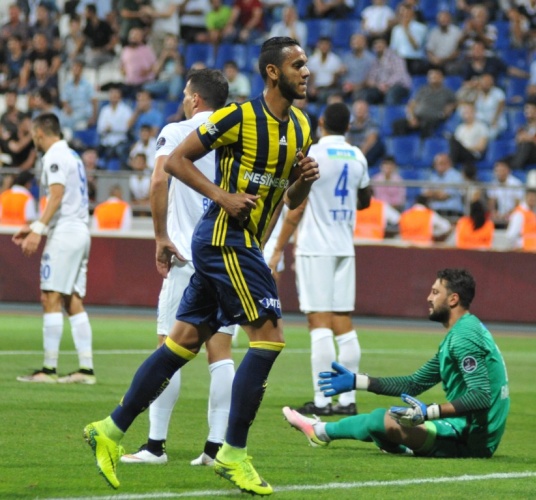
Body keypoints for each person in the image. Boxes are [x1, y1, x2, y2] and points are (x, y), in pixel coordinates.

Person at [83, 36, 318, 496]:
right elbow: (174, 162)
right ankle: (232, 454)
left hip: (242, 243)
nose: (306, 72)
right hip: (222, 238)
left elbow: (289, 198)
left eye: (306, 64)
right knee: (269, 338)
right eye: (298, 64)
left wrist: (303, 182)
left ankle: (109, 429)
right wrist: (222, 196)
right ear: (273, 72)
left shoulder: (303, 128)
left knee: (181, 344)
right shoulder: (238, 117)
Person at [120, 68, 235, 467]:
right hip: (227, 257)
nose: (184, 100)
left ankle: (155, 445)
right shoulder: (237, 133)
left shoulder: (177, 131)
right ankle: (216, 449)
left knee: (167, 349)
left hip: (187, 255)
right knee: (221, 353)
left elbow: (158, 182)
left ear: (196, 99)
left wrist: (159, 237)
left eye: (186, 94)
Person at [283, 268, 510, 460]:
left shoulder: (464, 337)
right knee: (390, 418)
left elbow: (481, 396)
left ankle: (321, 431)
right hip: (467, 428)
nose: (428, 298)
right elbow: (413, 384)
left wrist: (429, 412)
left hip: (472, 438)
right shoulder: (463, 331)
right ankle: (321, 431)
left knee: (381, 420)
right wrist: (357, 381)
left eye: (435, 292)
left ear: (453, 299)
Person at [268, 102, 372, 417]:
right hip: (344, 247)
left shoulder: (313, 155)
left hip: (316, 247)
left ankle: (323, 400)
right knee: (343, 322)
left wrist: (277, 249)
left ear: (322, 122)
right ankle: (347, 400)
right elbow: (365, 200)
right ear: (349, 126)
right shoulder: (357, 155)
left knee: (318, 322)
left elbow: (296, 208)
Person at [12, 113, 95, 384]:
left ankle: (48, 369)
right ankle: (86, 370)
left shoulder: (54, 156)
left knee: (50, 296)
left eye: (33, 136)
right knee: (72, 300)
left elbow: (56, 196)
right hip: (80, 230)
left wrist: (38, 230)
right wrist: (35, 226)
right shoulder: (72, 155)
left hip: (66, 233)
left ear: (39, 133)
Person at [392, 68, 456, 138]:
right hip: (417, 117)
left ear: (441, 78)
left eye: (435, 76)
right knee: (397, 124)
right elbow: (411, 105)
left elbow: (456, 102)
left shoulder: (447, 92)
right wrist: (412, 117)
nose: (433, 79)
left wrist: (450, 107)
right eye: (431, 77)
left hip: (433, 118)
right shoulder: (422, 90)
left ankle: (425, 143)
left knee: (426, 125)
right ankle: (402, 143)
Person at [356, 36, 412, 106]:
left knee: (391, 95)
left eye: (381, 43)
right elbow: (371, 78)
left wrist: (386, 84)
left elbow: (399, 74)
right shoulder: (375, 61)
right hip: (380, 87)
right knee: (366, 95)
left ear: (386, 45)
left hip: (399, 86)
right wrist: (378, 85)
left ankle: (391, 113)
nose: (378, 45)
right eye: (375, 44)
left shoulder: (395, 56)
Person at [389, 1, 428, 75]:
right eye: (402, 13)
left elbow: (416, 46)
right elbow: (393, 48)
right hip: (400, 60)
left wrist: (406, 30)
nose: (404, 15)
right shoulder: (396, 29)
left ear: (412, 13)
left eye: (407, 13)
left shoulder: (421, 28)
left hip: (414, 59)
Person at [422, 153, 465, 217]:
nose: (436, 166)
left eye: (440, 163)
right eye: (435, 164)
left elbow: (443, 196)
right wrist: (437, 193)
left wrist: (433, 194)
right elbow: (425, 194)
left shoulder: (456, 176)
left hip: (452, 213)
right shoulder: (434, 177)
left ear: (447, 163)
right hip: (435, 212)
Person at [487, 158, 525, 228]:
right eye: (497, 170)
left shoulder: (516, 184)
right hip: (500, 214)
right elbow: (491, 202)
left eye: (502, 170)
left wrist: (508, 214)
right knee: (489, 219)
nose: (499, 173)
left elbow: (518, 204)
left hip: (513, 213)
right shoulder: (493, 184)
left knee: (513, 218)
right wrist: (494, 212)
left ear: (508, 170)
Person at [425, 9, 463, 75]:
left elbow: (457, 51)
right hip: (435, 61)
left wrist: (443, 60)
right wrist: (433, 59)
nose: (443, 21)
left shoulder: (457, 32)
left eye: (445, 18)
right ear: (438, 20)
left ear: (450, 19)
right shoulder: (433, 32)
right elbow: (429, 50)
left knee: (451, 68)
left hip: (450, 60)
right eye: (441, 19)